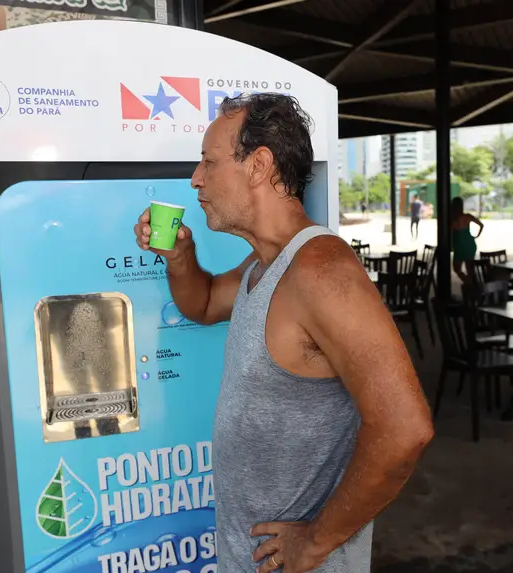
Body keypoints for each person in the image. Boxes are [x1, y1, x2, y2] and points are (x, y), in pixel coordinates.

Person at [134, 93, 433, 573]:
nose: (196, 178)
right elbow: (205, 303)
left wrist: (315, 542)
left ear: (259, 165)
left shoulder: (321, 271)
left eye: (209, 162)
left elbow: (406, 429)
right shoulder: (267, 263)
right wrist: (179, 258)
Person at [450, 196, 483, 284]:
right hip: (469, 244)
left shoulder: (451, 219)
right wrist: (476, 236)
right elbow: (481, 225)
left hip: (458, 246)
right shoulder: (467, 217)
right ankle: (472, 286)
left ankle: (469, 284)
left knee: (457, 269)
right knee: (470, 270)